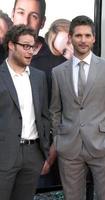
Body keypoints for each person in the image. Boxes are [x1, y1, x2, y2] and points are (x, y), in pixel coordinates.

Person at [11, 1, 94, 198]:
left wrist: (50, 155)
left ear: (42, 22)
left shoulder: (58, 62)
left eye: (34, 16)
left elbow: (66, 114)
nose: (26, 20)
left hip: (46, 152)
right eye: (21, 13)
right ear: (13, 14)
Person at [49, 15, 105, 200]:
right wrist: (59, 139)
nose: (83, 40)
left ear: (93, 38)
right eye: (78, 35)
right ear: (71, 38)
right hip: (69, 148)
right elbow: (55, 109)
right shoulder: (58, 72)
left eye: (87, 35)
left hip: (104, 146)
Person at [0, 24, 50, 200]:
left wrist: (44, 153)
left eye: (33, 47)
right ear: (11, 45)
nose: (30, 51)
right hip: (4, 154)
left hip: (33, 154)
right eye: (26, 46)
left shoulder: (39, 77)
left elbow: (44, 116)